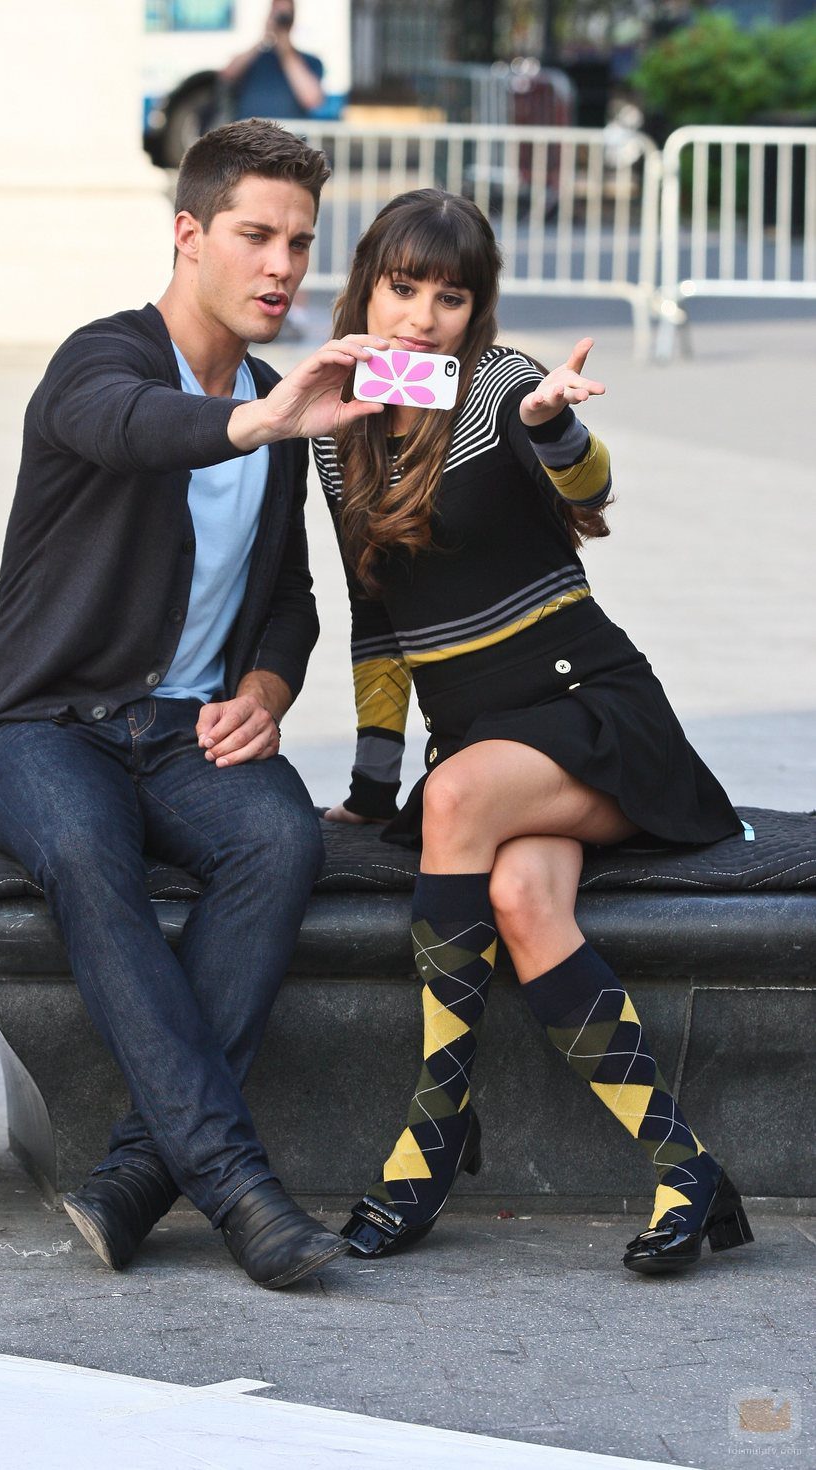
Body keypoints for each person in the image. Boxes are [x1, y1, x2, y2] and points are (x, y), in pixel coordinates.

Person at [0, 120, 386, 1290]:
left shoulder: (280, 405)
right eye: (254, 235)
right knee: (85, 853)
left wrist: (263, 691)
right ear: (188, 234)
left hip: (190, 732)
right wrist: (259, 421)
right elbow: (131, 429)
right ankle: (237, 1186)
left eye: (299, 242)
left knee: (280, 838)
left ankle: (141, 1171)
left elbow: (287, 598)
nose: (281, 266)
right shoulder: (102, 361)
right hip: (51, 727)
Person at [311, 188, 755, 1276]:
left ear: (478, 308)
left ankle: (433, 1132)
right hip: (486, 737)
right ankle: (689, 1168)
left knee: (458, 796)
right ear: (366, 286)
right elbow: (375, 622)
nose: (423, 318)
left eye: (450, 297)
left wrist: (557, 423)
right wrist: (371, 786)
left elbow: (587, 479)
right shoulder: (339, 430)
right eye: (403, 289)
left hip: (590, 710)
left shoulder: (500, 383)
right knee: (515, 893)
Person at [221, 2, 325, 122]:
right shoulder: (254, 58)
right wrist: (264, 39)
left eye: (285, 15)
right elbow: (227, 75)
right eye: (275, 12)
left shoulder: (309, 61)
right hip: (250, 131)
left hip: (288, 132)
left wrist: (286, 49)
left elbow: (312, 100)